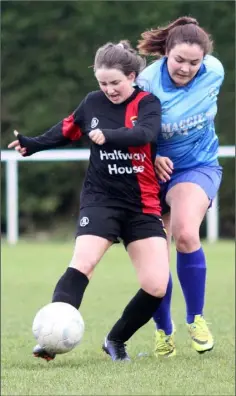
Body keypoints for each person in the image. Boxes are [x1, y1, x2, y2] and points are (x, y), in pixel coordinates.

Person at [8, 40, 169, 362]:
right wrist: (33, 145)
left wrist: (109, 135)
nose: (108, 89)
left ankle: (115, 339)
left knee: (157, 286)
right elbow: (66, 130)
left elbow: (145, 135)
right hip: (101, 199)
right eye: (102, 83)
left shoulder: (148, 104)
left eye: (115, 83)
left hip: (142, 205)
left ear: (133, 76)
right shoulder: (92, 103)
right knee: (83, 263)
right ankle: (50, 338)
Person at [136, 16, 224, 357]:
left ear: (204, 60)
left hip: (196, 166)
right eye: (179, 60)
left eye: (194, 62)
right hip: (149, 171)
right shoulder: (146, 83)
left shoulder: (214, 71)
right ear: (165, 54)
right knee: (156, 254)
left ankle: (196, 318)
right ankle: (163, 331)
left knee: (186, 233)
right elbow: (133, 128)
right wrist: (152, 154)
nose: (186, 68)